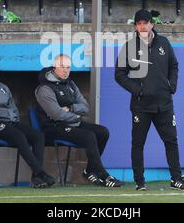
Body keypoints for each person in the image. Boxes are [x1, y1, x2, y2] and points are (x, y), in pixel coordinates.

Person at [115, 9, 184, 191]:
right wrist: (138, 90)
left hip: (164, 104)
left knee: (171, 141)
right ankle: (140, 182)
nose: (142, 26)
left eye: (145, 22)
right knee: (138, 144)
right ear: (135, 26)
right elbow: (119, 74)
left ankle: (176, 179)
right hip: (141, 106)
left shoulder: (163, 42)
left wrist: (172, 85)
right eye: (138, 23)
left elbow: (174, 66)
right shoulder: (130, 46)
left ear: (152, 24)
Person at [35, 54, 123, 187]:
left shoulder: (70, 84)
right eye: (62, 67)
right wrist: (76, 116)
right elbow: (57, 114)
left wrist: (70, 108)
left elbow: (85, 107)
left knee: (102, 132)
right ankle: (103, 175)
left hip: (71, 124)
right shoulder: (44, 89)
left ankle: (90, 170)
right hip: (53, 127)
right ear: (54, 68)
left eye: (68, 67)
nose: (65, 70)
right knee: (88, 136)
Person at [0, 60, 56, 188]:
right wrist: (4, 114)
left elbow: (12, 107)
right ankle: (40, 172)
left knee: (38, 136)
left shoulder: (3, 87)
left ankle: (36, 178)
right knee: (19, 136)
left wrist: (13, 118)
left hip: (11, 122)